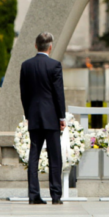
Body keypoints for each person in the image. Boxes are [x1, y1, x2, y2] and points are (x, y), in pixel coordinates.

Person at [20, 32, 66, 205]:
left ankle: (33, 194)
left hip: (34, 116)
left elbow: (24, 94)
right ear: (50, 47)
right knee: (54, 157)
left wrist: (28, 114)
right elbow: (58, 94)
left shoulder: (26, 65)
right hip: (51, 117)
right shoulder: (55, 65)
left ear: (35, 45)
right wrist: (62, 116)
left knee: (34, 156)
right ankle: (56, 195)